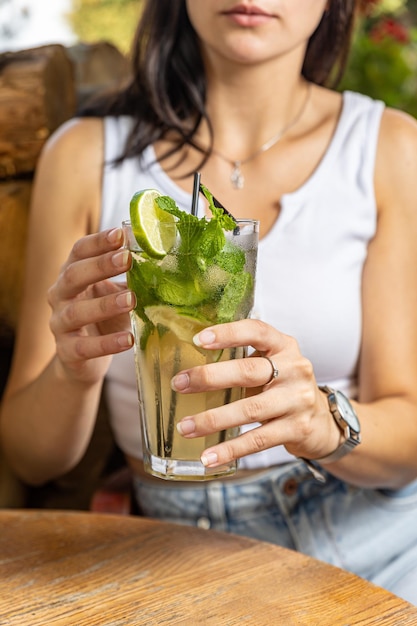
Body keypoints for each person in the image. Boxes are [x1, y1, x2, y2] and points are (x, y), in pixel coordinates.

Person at [1, 0, 417, 603]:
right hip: (174, 555)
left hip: (374, 542)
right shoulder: (86, 156)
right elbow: (32, 458)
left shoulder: (389, 147)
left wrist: (324, 424)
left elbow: (408, 434)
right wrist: (73, 370)